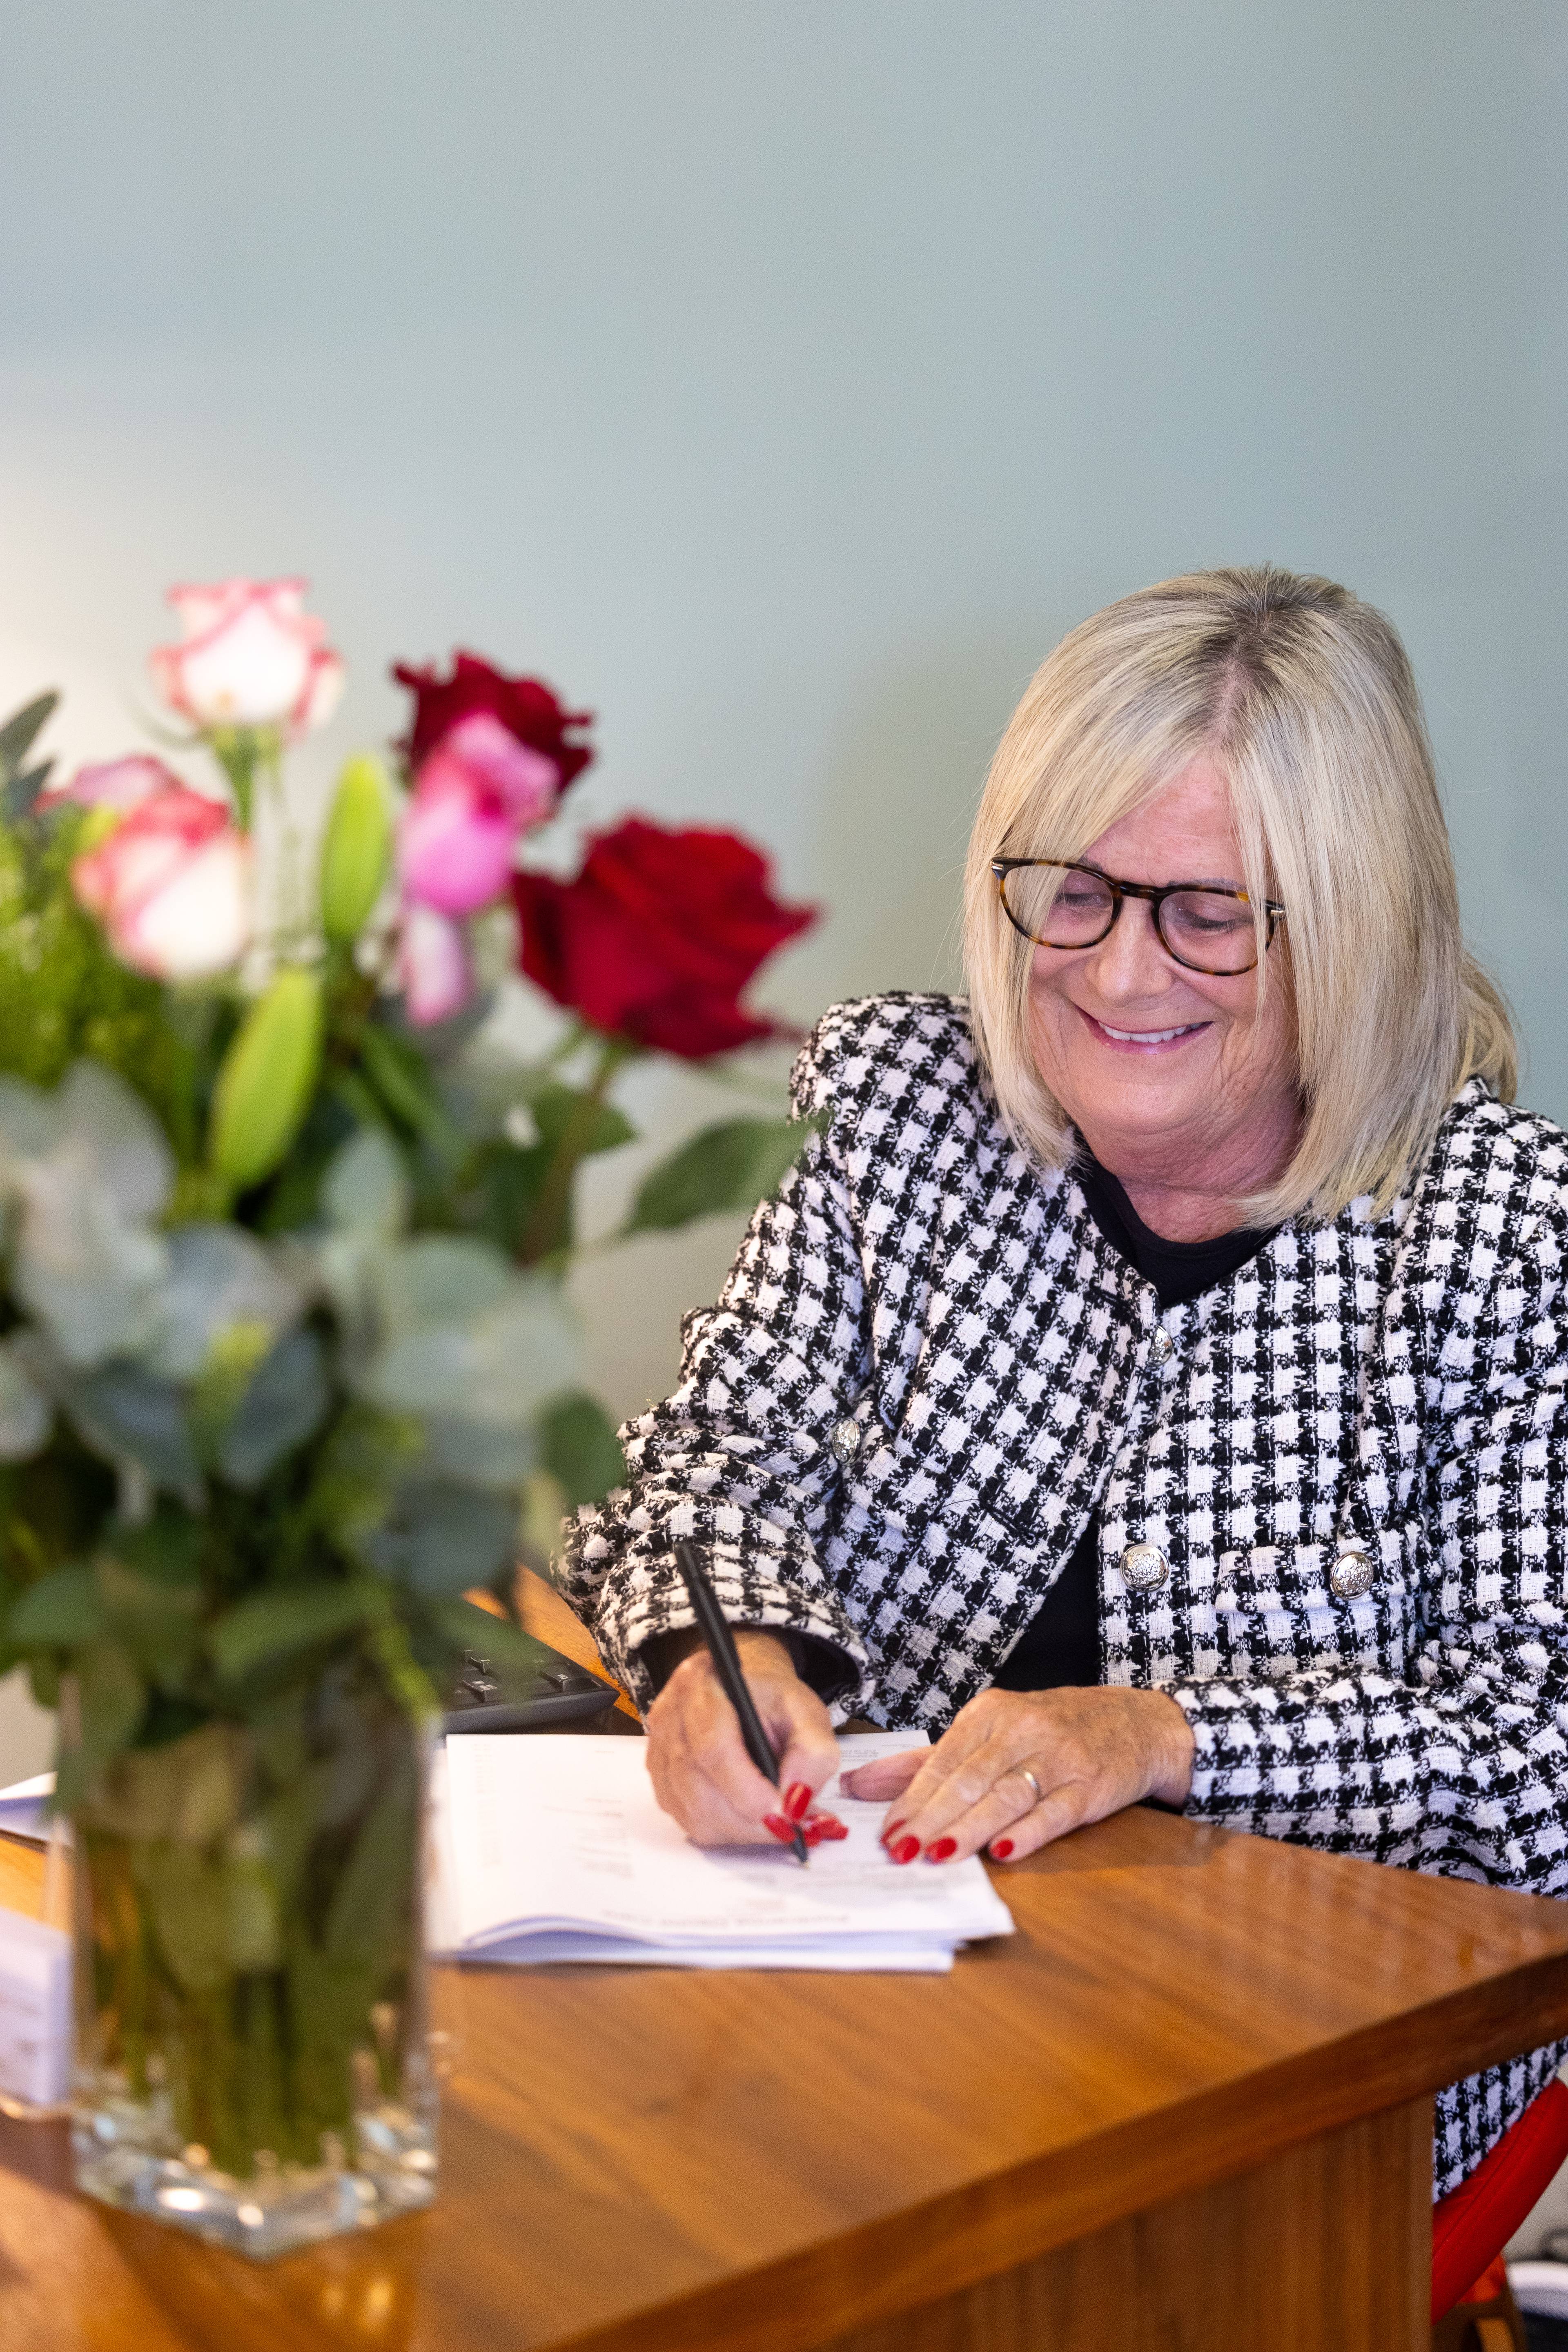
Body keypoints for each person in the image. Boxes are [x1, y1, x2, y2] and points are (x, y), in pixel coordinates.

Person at [563, 565, 1568, 2201]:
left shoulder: (1511, 1244)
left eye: (1208, 912)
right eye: (1074, 893)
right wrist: (723, 1654)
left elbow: (1543, 1752)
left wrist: (1171, 1734)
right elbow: (708, 1458)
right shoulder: (908, 1105)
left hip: (1297, 2093)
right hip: (856, 2010)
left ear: (1354, 919)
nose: (1115, 974)